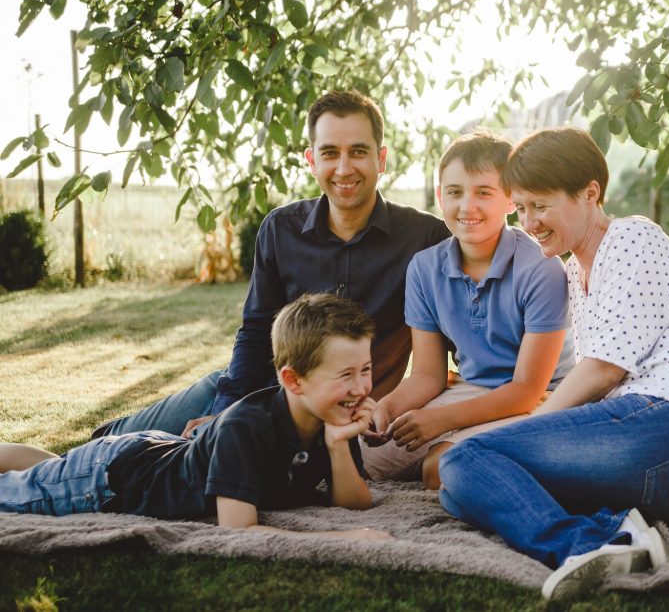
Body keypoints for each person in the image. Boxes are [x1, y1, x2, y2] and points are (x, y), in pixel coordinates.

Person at [437, 127, 669, 600]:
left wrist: (529, 427)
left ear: (590, 193)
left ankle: (585, 544)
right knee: (457, 484)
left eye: (540, 205)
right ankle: (622, 535)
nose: (529, 221)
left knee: (471, 456)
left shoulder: (630, 237)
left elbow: (604, 370)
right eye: (520, 208)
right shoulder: (575, 270)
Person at [90, 90, 450, 441]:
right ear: (311, 161)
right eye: (329, 153)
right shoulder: (281, 229)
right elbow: (256, 330)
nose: (343, 168)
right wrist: (227, 410)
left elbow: (456, 336)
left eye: (358, 152)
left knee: (173, 461)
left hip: (331, 415)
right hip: (255, 390)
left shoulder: (424, 237)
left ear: (381, 159)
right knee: (111, 443)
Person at [0, 293, 390, 541]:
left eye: (365, 370)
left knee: (55, 469)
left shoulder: (330, 414)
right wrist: (343, 538)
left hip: (153, 452)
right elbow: (238, 530)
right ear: (293, 379)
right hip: (110, 479)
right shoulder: (247, 426)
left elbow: (353, 505)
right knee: (17, 495)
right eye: (345, 375)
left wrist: (339, 446)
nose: (361, 387)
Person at [360, 130, 573, 489]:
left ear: (511, 199)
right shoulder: (424, 269)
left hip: (545, 396)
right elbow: (428, 375)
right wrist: (386, 408)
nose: (466, 207)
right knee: (368, 458)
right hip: (474, 388)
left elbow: (526, 389)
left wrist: (442, 420)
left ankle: (491, 457)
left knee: (440, 467)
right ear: (440, 196)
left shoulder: (541, 268)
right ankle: (480, 448)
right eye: (454, 192)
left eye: (483, 193)